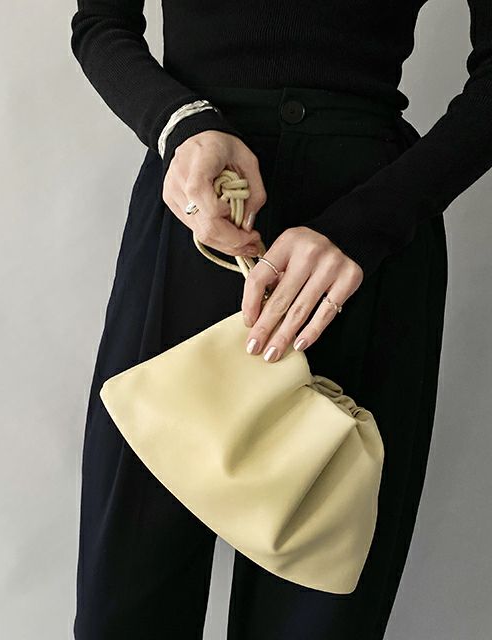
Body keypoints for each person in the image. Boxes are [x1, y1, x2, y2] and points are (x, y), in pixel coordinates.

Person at [69, 2, 492, 638]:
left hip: (364, 245)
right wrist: (181, 126)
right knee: (124, 603)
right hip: (201, 211)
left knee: (318, 609)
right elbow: (102, 23)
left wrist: (368, 226)